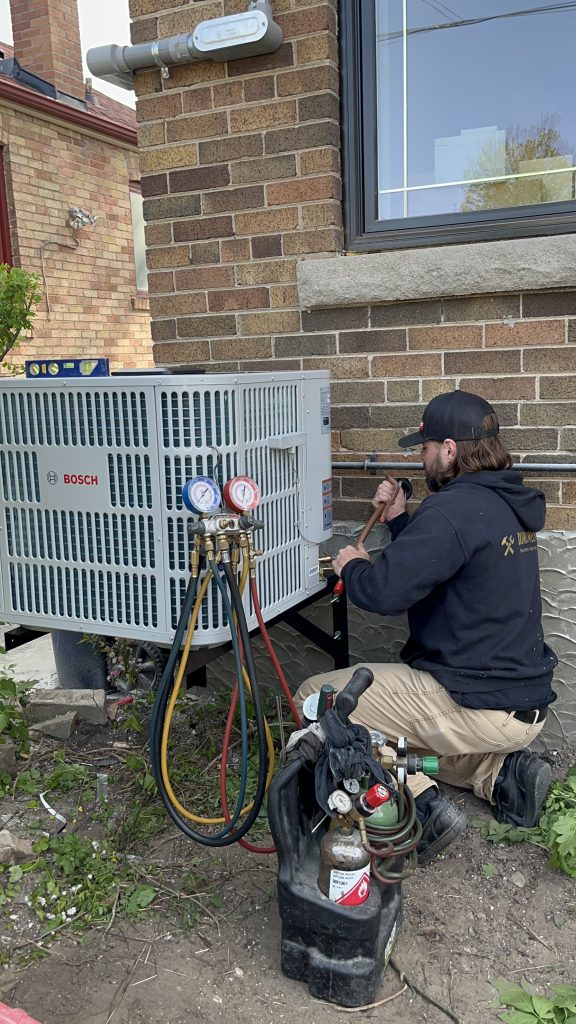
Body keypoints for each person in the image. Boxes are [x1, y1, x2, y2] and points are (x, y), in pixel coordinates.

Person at [296, 390, 557, 865]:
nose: (421, 457)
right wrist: (398, 522)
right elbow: (439, 563)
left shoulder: (452, 510)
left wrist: (352, 565)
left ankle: (421, 805)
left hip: (478, 700)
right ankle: (499, 776)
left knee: (320, 702)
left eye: (425, 447)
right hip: (520, 705)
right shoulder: (502, 500)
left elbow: (385, 592)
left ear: (450, 449)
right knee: (391, 729)